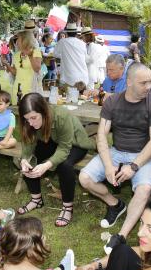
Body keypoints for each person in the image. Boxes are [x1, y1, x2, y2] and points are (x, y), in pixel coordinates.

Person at [79, 63, 151, 251]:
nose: (149, 87)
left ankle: (121, 236)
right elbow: (101, 135)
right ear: (129, 82)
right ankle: (115, 204)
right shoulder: (112, 102)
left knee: (144, 189)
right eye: (143, 83)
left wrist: (133, 166)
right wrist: (109, 166)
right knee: (84, 178)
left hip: (143, 156)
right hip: (116, 152)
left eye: (150, 82)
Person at [17, 92, 95, 227]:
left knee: (64, 165)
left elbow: (64, 148)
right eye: (27, 119)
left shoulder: (61, 115)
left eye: (34, 118)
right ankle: (36, 200)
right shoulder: (30, 122)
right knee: (30, 160)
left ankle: (67, 207)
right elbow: (28, 143)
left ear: (44, 111)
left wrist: (47, 164)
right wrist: (24, 159)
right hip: (52, 140)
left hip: (75, 143)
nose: (30, 123)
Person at [7, 30, 42, 104]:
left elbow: (37, 68)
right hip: (17, 88)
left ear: (25, 40)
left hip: (31, 88)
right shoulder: (16, 55)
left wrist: (30, 55)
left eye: (18, 39)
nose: (16, 42)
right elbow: (15, 72)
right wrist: (7, 65)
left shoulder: (35, 52)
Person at [53, 20, 89, 91]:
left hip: (69, 78)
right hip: (83, 77)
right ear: (76, 33)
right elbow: (85, 58)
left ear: (67, 33)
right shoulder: (82, 43)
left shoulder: (62, 42)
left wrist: (64, 56)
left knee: (68, 99)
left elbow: (55, 54)